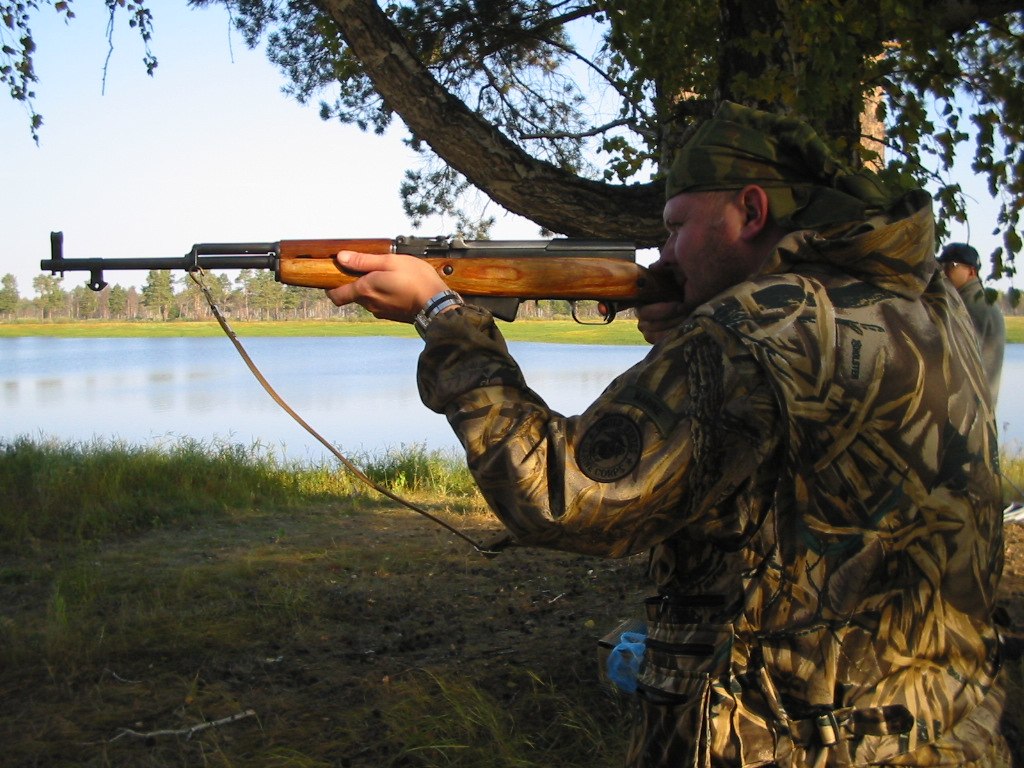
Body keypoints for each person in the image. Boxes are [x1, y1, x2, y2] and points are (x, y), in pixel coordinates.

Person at [325, 103, 1009, 767]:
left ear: (751, 211)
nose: (665, 252)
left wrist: (444, 317)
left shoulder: (752, 328)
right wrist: (692, 333)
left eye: (677, 226)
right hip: (947, 730)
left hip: (789, 746)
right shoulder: (928, 301)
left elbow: (564, 494)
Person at [936, 242, 1005, 407]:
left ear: (971, 271)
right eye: (941, 265)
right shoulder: (973, 301)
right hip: (976, 409)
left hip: (969, 410)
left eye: (951, 266)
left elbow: (957, 360)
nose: (943, 272)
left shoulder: (972, 306)